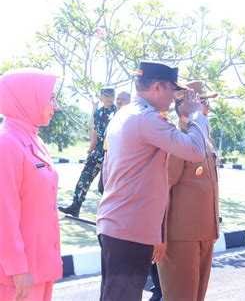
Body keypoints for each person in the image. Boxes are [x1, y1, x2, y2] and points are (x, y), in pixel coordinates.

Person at [96, 61, 208, 301]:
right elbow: (196, 150)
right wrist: (196, 113)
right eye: (171, 91)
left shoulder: (125, 113)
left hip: (121, 225)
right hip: (129, 230)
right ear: (158, 86)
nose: (172, 98)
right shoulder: (146, 119)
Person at [0, 68, 61, 300]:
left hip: (40, 267)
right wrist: (17, 269)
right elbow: (3, 214)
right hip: (16, 275)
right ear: (27, 97)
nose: (54, 106)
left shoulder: (35, 140)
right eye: (50, 98)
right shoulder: (6, 144)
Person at [157, 80, 219, 301]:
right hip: (180, 237)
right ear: (188, 105)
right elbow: (164, 188)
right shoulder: (178, 138)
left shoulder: (203, 139)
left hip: (204, 234)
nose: (208, 109)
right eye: (203, 103)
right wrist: (160, 234)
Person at [58, 87, 117, 217]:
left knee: (109, 183)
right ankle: (75, 206)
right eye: (106, 95)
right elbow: (95, 133)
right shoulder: (98, 112)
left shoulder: (118, 112)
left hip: (113, 150)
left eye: (112, 96)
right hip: (98, 149)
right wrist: (91, 149)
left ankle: (111, 214)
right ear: (100, 96)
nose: (109, 98)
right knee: (85, 176)